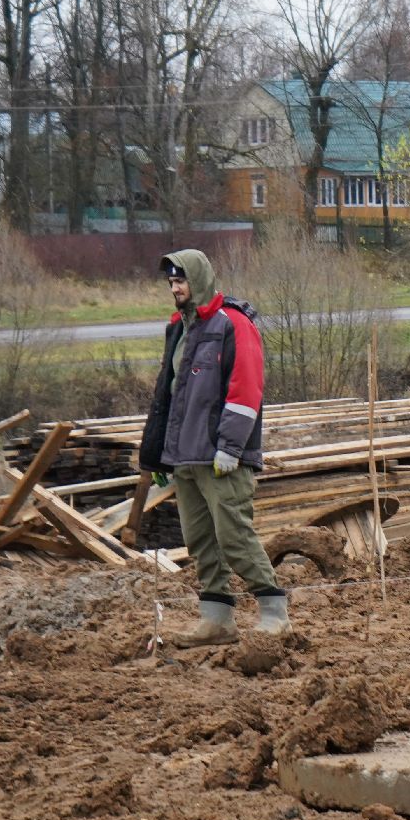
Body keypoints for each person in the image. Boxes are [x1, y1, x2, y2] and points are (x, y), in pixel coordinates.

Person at [140, 249, 289, 646]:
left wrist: (231, 446)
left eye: (181, 281)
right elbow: (168, 396)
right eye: (171, 283)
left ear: (199, 279)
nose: (175, 289)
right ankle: (217, 620)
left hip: (222, 458)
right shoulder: (179, 328)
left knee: (234, 537)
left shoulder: (233, 324)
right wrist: (160, 453)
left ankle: (274, 613)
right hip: (185, 457)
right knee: (200, 540)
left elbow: (246, 390)